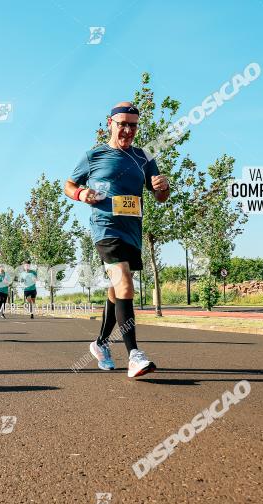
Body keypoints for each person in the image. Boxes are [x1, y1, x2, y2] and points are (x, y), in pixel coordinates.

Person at [65, 101, 170, 378]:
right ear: (110, 123)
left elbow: (159, 196)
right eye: (122, 124)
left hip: (132, 230)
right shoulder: (94, 155)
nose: (127, 130)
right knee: (124, 282)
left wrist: (162, 188)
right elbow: (69, 185)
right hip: (105, 228)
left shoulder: (144, 157)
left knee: (116, 290)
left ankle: (100, 344)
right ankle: (134, 354)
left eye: (133, 125)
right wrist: (81, 194)